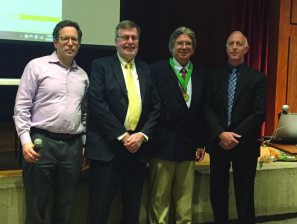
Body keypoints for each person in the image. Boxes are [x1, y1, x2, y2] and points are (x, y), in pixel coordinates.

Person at [85, 20, 161, 224]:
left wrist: (142, 135)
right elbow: (97, 104)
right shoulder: (101, 66)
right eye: (125, 37)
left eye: (134, 38)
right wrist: (122, 135)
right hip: (107, 149)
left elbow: (156, 107)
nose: (130, 42)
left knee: (132, 211)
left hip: (137, 151)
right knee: (99, 211)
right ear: (116, 41)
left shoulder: (147, 70)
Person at [13, 20, 88, 224]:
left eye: (74, 39)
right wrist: (25, 141)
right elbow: (22, 107)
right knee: (37, 206)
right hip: (41, 144)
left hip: (72, 147)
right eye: (65, 39)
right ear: (55, 42)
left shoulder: (82, 76)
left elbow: (83, 114)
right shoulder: (37, 66)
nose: (70, 43)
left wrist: (82, 145)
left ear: (79, 44)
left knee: (66, 205)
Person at [204, 31, 267, 224]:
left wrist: (234, 136)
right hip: (219, 143)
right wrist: (221, 134)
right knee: (218, 191)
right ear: (226, 48)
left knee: (245, 193)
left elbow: (259, 113)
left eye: (239, 44)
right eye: (231, 43)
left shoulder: (257, 77)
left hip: (245, 144)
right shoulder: (213, 76)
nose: (234, 47)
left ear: (246, 49)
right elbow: (206, 107)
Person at [148, 26, 207, 224]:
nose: (184, 47)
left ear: (194, 48)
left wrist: (200, 142)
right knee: (159, 200)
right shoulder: (156, 70)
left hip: (188, 145)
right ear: (171, 46)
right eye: (180, 43)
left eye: (188, 43)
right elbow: (151, 107)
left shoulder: (199, 73)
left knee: (184, 202)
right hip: (162, 145)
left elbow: (201, 112)